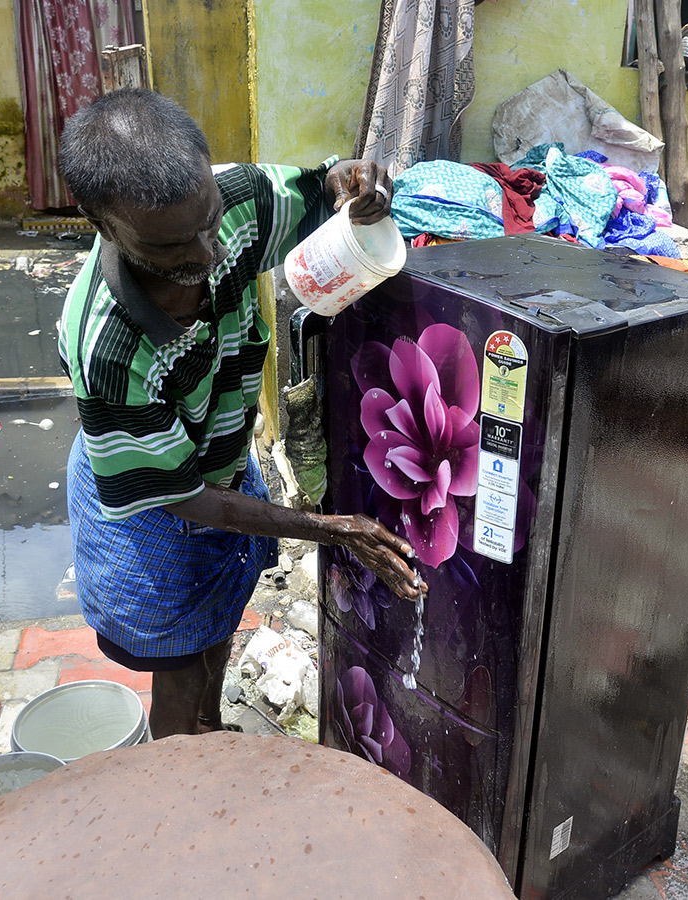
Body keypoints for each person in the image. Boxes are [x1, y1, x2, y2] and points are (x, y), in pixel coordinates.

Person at [56, 88, 422, 739]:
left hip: (221, 457)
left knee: (220, 619)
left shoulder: (236, 203)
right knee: (179, 661)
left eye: (209, 219)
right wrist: (335, 528)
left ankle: (206, 729)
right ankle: (180, 775)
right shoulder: (108, 351)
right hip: (153, 493)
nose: (210, 253)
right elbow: (182, 496)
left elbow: (326, 194)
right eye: (174, 251)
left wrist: (352, 190)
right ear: (104, 224)